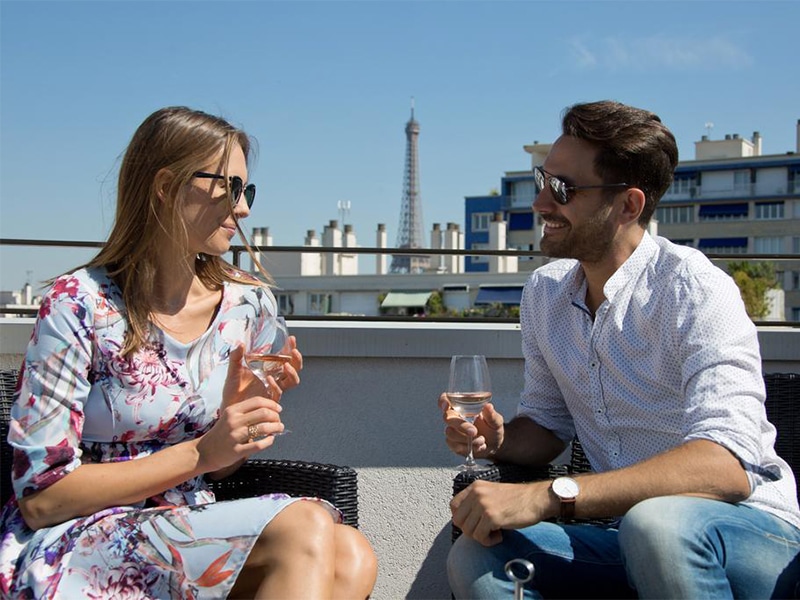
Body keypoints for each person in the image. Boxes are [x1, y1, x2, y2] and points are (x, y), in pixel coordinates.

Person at [0, 106, 377, 599]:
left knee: (351, 555)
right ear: (165, 186)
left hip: (191, 519)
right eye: (231, 188)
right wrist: (201, 450)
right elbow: (42, 499)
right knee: (303, 527)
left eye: (248, 191)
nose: (243, 210)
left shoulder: (248, 305)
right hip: (81, 537)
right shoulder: (79, 304)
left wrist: (238, 431)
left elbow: (217, 468)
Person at [442, 100, 800, 599]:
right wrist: (497, 438)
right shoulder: (545, 294)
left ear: (628, 206)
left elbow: (728, 468)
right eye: (543, 180)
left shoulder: (694, 289)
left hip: (748, 535)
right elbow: (548, 426)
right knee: (481, 556)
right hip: (623, 534)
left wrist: (551, 496)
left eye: (562, 189)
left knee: (658, 525)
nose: (541, 203)